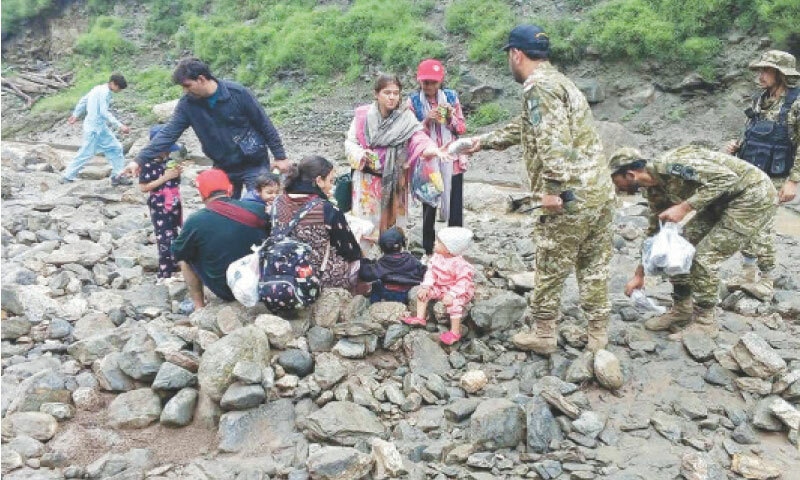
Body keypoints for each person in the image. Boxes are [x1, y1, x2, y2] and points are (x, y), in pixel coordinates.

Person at [463, 24, 616, 354]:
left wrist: (552, 190)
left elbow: (552, 143)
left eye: (509, 56)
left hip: (569, 194)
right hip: (599, 190)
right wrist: (482, 142)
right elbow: (527, 126)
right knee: (594, 264)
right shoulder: (560, 82)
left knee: (549, 261)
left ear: (516, 54)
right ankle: (598, 336)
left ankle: (544, 334)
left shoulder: (537, 87)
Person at [609, 145, 778, 339]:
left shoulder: (674, 165)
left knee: (703, 258)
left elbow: (727, 178)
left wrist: (685, 206)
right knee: (676, 250)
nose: (616, 188)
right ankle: (681, 309)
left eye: (616, 181)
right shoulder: (654, 190)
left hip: (752, 197)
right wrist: (639, 275)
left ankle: (705, 322)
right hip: (719, 201)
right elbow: (654, 233)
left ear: (630, 175)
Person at [126, 58, 289, 198]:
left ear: (201, 79)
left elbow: (263, 123)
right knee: (225, 211)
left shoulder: (238, 94)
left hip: (253, 161)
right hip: (223, 164)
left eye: (187, 85)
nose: (185, 91)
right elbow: (168, 133)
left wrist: (280, 156)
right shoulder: (187, 105)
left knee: (260, 203)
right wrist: (139, 160)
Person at [724, 50, 800, 300]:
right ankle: (747, 273)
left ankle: (766, 279)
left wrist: (793, 181)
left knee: (763, 226)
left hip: (776, 175)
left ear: (780, 74)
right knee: (745, 221)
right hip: (750, 170)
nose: (760, 75)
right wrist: (736, 145)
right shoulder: (760, 99)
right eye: (760, 70)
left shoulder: (796, 103)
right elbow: (753, 132)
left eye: (766, 71)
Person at [344, 73, 440, 235]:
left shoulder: (406, 117)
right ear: (376, 94)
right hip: (368, 181)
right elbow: (350, 142)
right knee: (367, 225)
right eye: (387, 93)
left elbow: (419, 140)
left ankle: (393, 257)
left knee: (395, 227)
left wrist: (434, 150)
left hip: (396, 180)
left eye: (396, 93)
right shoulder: (363, 116)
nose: (392, 97)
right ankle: (366, 259)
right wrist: (361, 154)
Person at [172, 168, 268, 310]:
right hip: (261, 283)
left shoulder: (195, 221)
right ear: (229, 189)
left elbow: (177, 253)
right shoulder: (258, 209)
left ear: (202, 195)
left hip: (226, 290)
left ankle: (199, 306)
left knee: (185, 257)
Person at [407, 59, 468, 257]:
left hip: (452, 158)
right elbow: (410, 133)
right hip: (428, 161)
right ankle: (428, 249)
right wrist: (427, 120)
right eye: (425, 82)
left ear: (441, 81)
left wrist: (450, 117)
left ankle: (455, 249)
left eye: (433, 82)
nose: (429, 87)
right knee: (429, 205)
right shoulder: (413, 102)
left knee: (455, 206)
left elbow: (461, 128)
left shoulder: (451, 97)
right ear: (419, 82)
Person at [272, 156, 362, 289]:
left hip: (282, 272)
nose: (332, 187)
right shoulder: (326, 209)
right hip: (316, 278)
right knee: (360, 259)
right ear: (319, 181)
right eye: (331, 181)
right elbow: (349, 250)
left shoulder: (277, 202)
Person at [402, 227, 475, 345]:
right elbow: (431, 272)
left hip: (456, 290)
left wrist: (452, 294)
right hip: (441, 286)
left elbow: (463, 282)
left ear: (449, 249)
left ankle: (455, 331)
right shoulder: (437, 257)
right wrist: (427, 286)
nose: (435, 243)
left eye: (439, 242)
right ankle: (420, 317)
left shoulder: (460, 265)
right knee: (422, 292)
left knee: (455, 303)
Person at [62, 73, 132, 186]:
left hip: (99, 127)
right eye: (119, 88)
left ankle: (117, 175)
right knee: (86, 152)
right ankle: (67, 175)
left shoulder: (97, 89)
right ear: (113, 84)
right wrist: (120, 125)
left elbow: (83, 100)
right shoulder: (104, 93)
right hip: (94, 128)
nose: (119, 91)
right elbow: (104, 112)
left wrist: (76, 114)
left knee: (115, 147)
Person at [139, 125, 184, 284]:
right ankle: (165, 272)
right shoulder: (147, 164)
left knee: (177, 233)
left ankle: (178, 264)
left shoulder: (169, 162)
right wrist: (164, 178)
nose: (167, 152)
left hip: (174, 202)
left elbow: (175, 182)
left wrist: (177, 174)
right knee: (164, 236)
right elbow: (144, 187)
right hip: (159, 203)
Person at [359, 226, 426, 303]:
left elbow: (366, 274)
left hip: (390, 294)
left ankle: (374, 303)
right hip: (407, 292)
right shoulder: (409, 258)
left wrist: (363, 261)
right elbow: (423, 270)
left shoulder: (383, 262)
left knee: (376, 284)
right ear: (401, 245)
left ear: (382, 248)